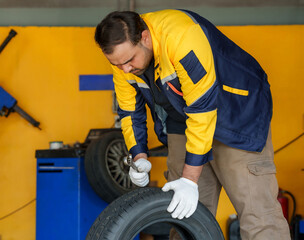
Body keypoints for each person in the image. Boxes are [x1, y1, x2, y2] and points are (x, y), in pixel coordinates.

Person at [94, 9, 290, 240]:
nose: (125, 69)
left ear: (145, 37)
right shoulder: (123, 59)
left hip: (236, 115)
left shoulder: (182, 37)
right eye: (117, 64)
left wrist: (189, 179)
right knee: (184, 215)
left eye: (128, 61)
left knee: (257, 214)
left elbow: (203, 110)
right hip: (182, 119)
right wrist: (139, 157)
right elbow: (129, 110)